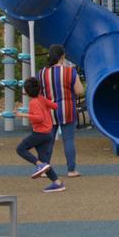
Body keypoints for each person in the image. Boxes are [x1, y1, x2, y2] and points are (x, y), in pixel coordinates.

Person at [41, 45, 84, 178]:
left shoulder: (42, 73)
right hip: (67, 109)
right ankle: (71, 170)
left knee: (48, 141)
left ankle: (44, 168)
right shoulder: (70, 72)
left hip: (49, 110)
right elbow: (80, 91)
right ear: (63, 57)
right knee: (68, 140)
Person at [15, 79, 65, 193]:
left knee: (20, 149)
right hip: (48, 133)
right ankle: (57, 183)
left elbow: (39, 118)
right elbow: (55, 106)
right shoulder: (41, 98)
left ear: (27, 92)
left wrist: (24, 114)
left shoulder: (33, 102)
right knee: (45, 162)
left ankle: (38, 164)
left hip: (39, 133)